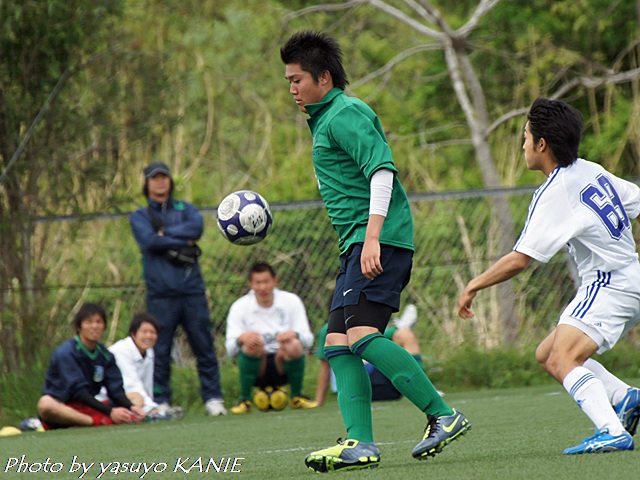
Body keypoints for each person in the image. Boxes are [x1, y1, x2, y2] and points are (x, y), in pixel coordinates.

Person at [280, 31, 470, 472]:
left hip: (378, 242)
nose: (291, 89)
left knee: (363, 336)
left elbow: (381, 172)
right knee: (336, 345)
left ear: (323, 78)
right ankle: (360, 443)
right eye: (288, 81)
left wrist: (371, 237)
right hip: (357, 246)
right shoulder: (326, 118)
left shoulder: (345, 113)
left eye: (297, 80)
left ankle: (444, 414)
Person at [458, 97, 640, 454]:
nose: (524, 145)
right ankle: (626, 397)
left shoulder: (555, 190)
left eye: (525, 137)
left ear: (542, 144)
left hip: (609, 284)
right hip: (630, 276)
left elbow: (520, 259)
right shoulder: (592, 170)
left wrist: (473, 284)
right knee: (547, 354)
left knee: (562, 359)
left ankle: (611, 430)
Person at [130, 161, 226, 416]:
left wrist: (164, 234)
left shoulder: (186, 209)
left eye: (164, 177)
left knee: (203, 344)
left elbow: (196, 228)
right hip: (161, 295)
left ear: (170, 181)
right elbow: (148, 240)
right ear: (146, 183)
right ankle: (160, 400)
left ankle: (213, 398)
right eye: (154, 178)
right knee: (159, 349)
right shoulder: (140, 216)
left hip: (192, 290)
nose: (160, 182)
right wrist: (173, 238)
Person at [225, 262, 317, 414]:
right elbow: (230, 349)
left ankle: (296, 397)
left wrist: (295, 334)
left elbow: (308, 340)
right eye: (257, 283)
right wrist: (241, 338)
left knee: (293, 344)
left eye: (266, 281)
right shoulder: (239, 307)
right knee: (251, 344)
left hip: (283, 364)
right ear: (250, 284)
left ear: (275, 281)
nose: (263, 287)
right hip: (256, 367)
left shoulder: (292, 301)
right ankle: (245, 400)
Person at [37, 303, 146, 429]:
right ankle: (93, 422)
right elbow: (80, 392)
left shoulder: (105, 355)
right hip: (65, 407)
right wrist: (110, 412)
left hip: (90, 406)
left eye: (99, 322)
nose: (95, 326)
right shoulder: (66, 352)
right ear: (79, 327)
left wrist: (132, 408)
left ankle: (112, 418)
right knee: (45, 404)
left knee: (136, 398)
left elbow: (116, 390)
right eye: (89, 322)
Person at [315, 304, 441, 405]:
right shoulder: (329, 330)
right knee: (355, 355)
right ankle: (404, 325)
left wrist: (401, 331)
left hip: (384, 387)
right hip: (353, 387)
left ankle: (424, 389)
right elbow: (324, 368)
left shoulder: (362, 326)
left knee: (404, 335)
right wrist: (319, 401)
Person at [103, 312, 183, 420]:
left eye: (153, 332)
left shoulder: (149, 352)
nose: (148, 336)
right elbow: (131, 384)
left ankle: (147, 415)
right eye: (144, 332)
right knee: (137, 399)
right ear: (133, 334)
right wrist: (152, 408)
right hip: (104, 397)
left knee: (138, 399)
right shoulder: (122, 351)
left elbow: (147, 385)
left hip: (126, 397)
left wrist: (151, 406)